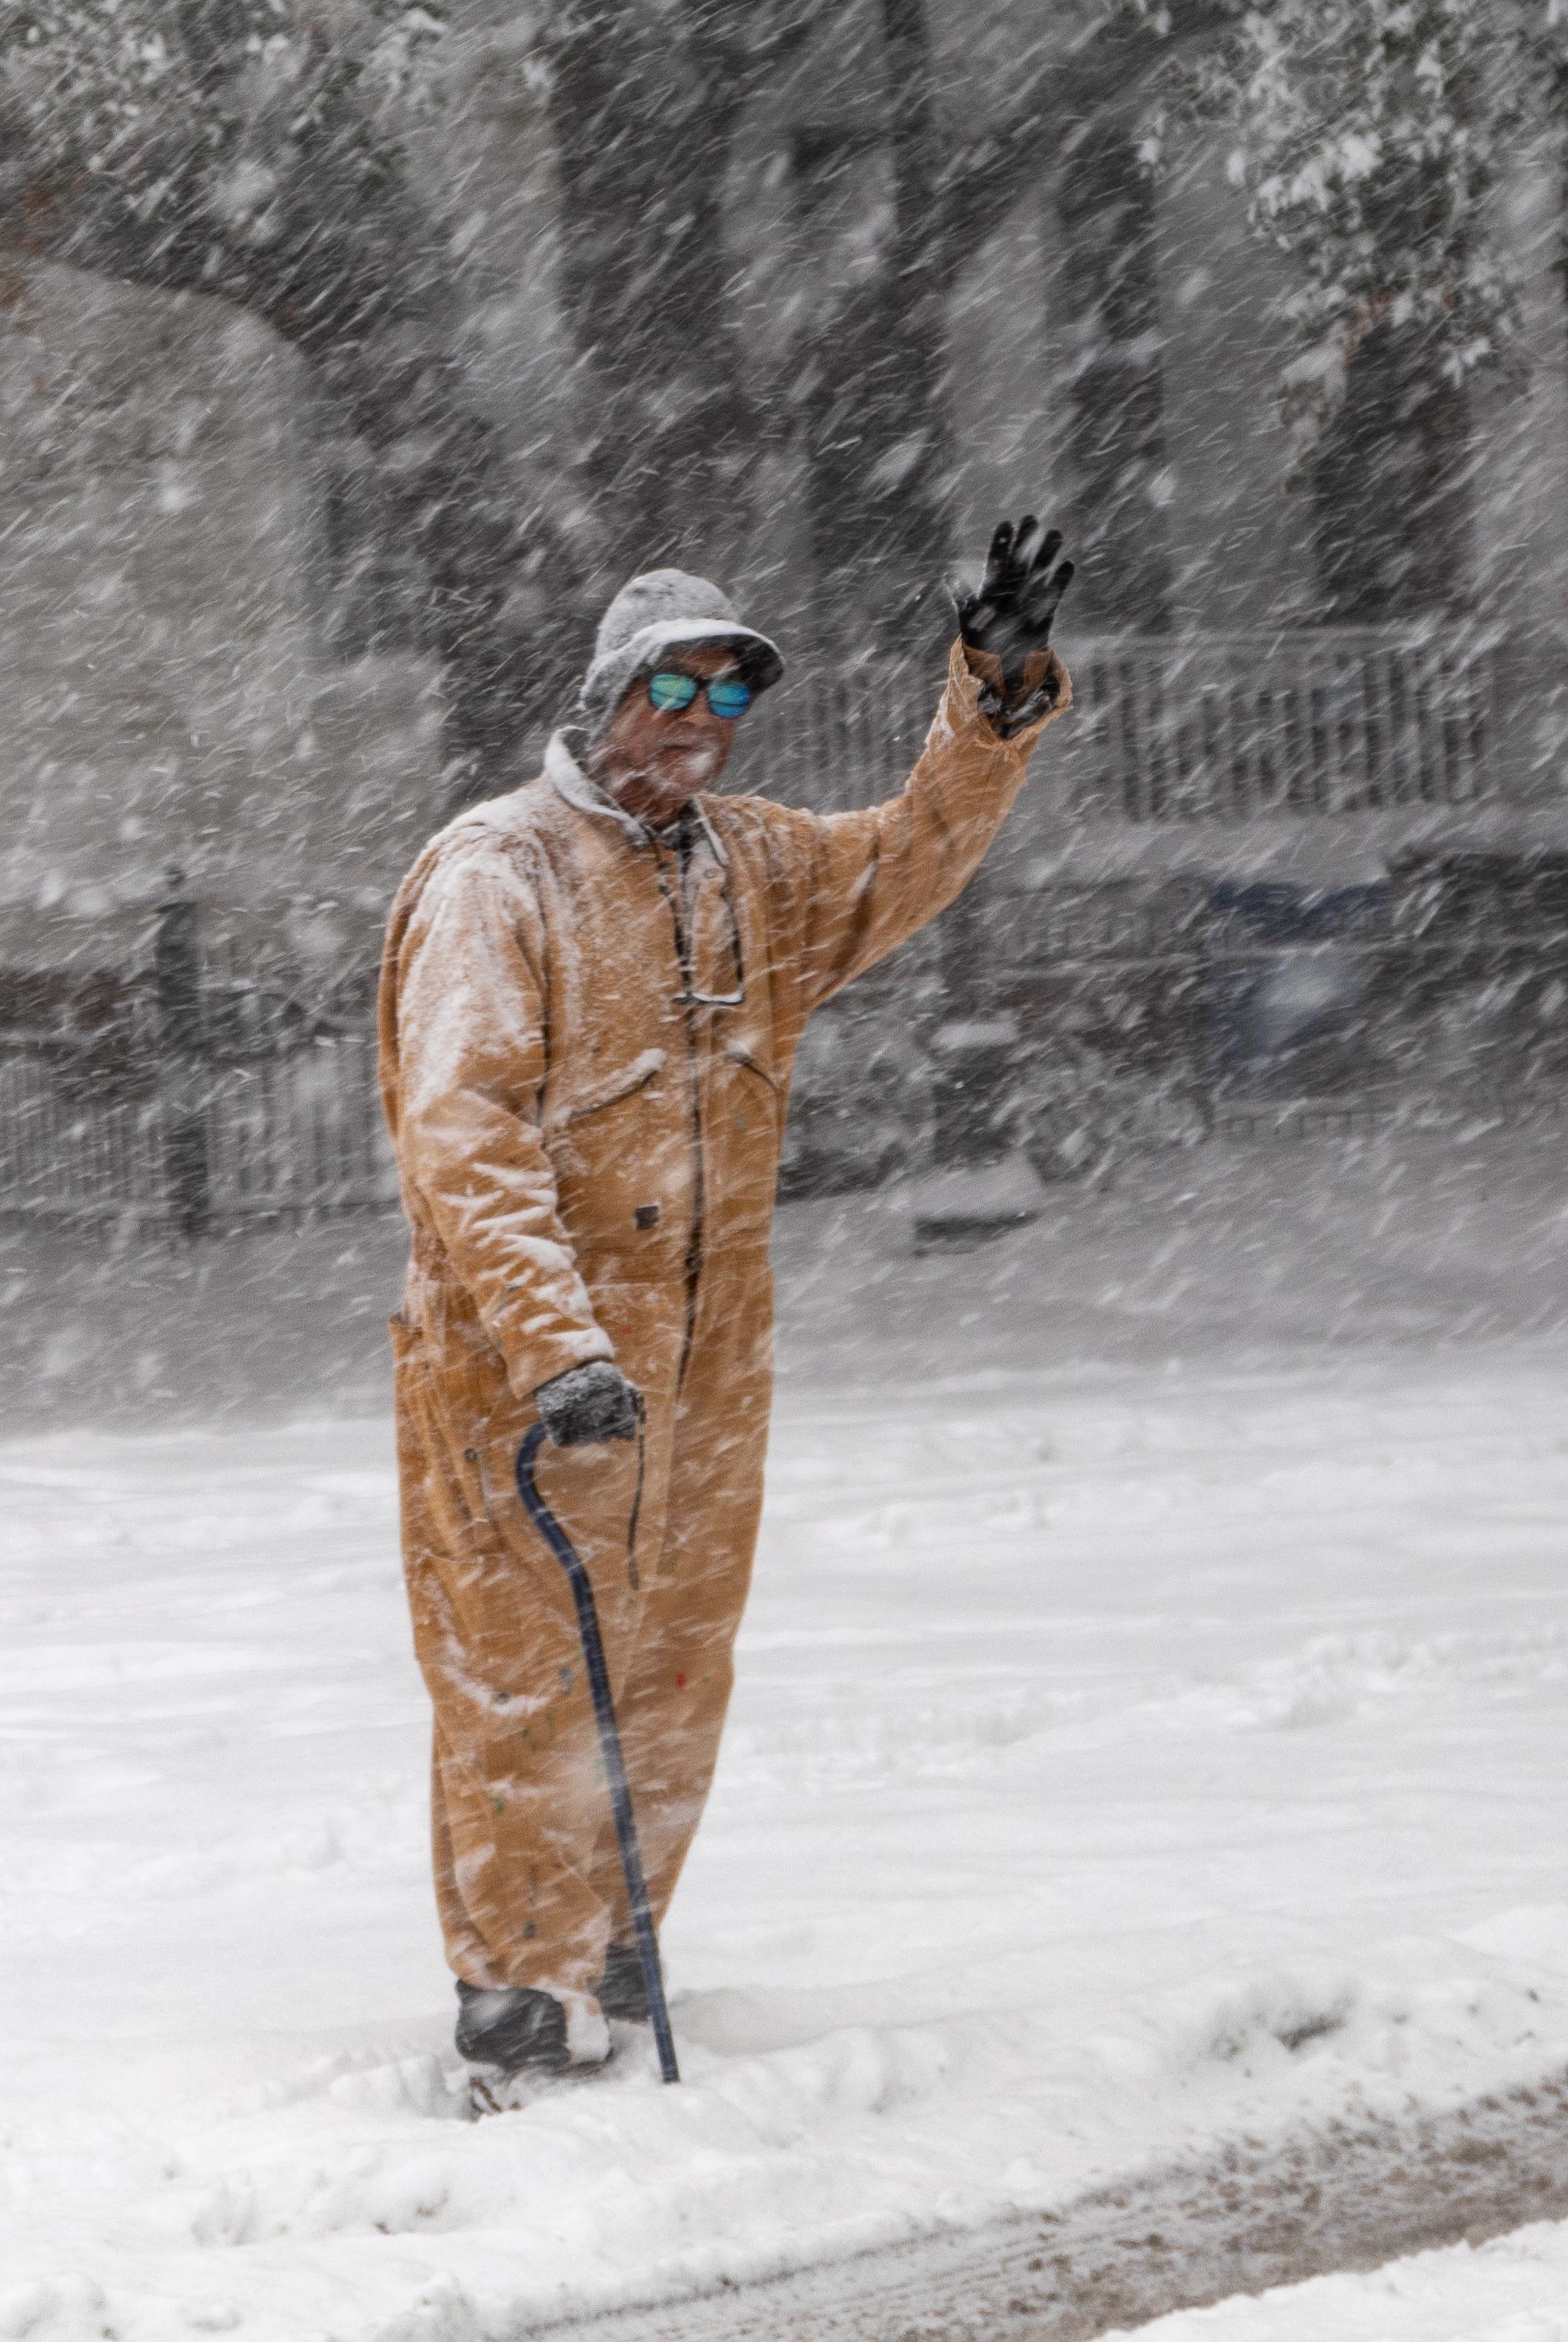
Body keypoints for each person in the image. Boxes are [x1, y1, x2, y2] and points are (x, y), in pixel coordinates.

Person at [376, 520, 1075, 2076]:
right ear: (606, 691)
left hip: (712, 1343)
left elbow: (913, 847)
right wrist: (558, 1339)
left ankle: (621, 1928)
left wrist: (995, 690)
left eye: (729, 696)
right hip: (522, 1356)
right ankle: (516, 1977)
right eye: (673, 687)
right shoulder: (502, 872)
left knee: (679, 1649)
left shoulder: (754, 868)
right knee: (526, 1658)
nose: (700, 719)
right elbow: (463, 1127)